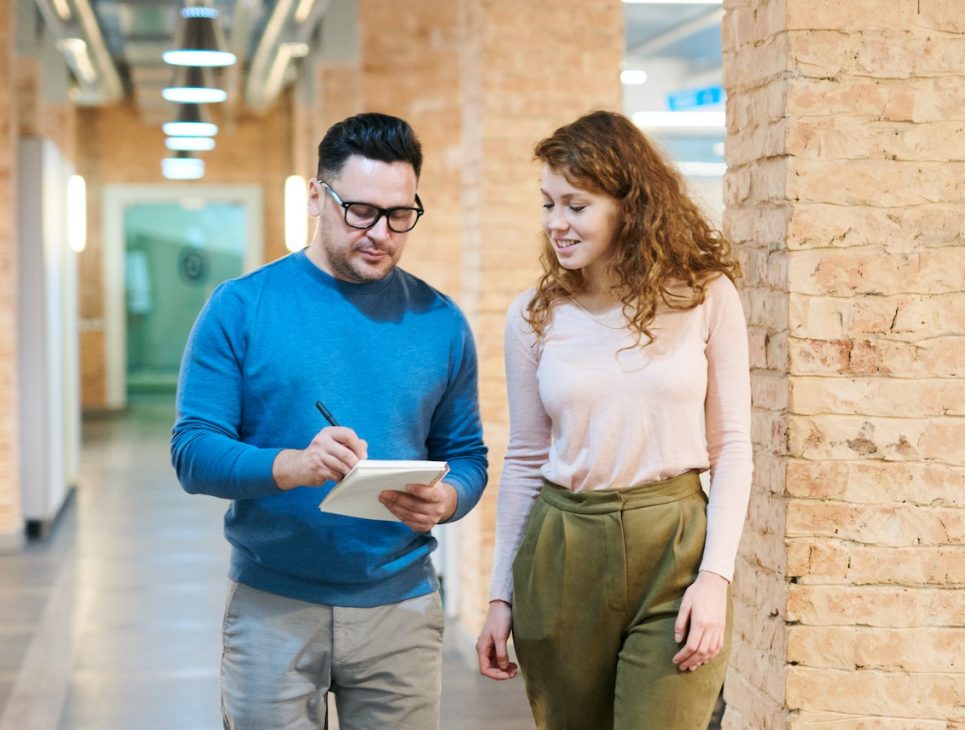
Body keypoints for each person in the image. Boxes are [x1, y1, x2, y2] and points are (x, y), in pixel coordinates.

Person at [171, 112, 488, 730]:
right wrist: (294, 466)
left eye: (400, 215)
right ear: (317, 196)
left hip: (401, 608)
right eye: (361, 211)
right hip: (272, 608)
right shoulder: (242, 307)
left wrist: (447, 500)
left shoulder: (440, 321)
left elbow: (469, 454)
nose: (381, 233)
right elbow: (192, 452)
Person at [475, 110, 752, 729]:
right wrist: (500, 596)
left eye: (575, 205)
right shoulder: (534, 316)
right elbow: (524, 458)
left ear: (629, 205)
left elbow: (732, 445)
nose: (555, 223)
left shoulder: (706, 295)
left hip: (674, 547)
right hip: (563, 549)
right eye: (548, 203)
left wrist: (716, 579)